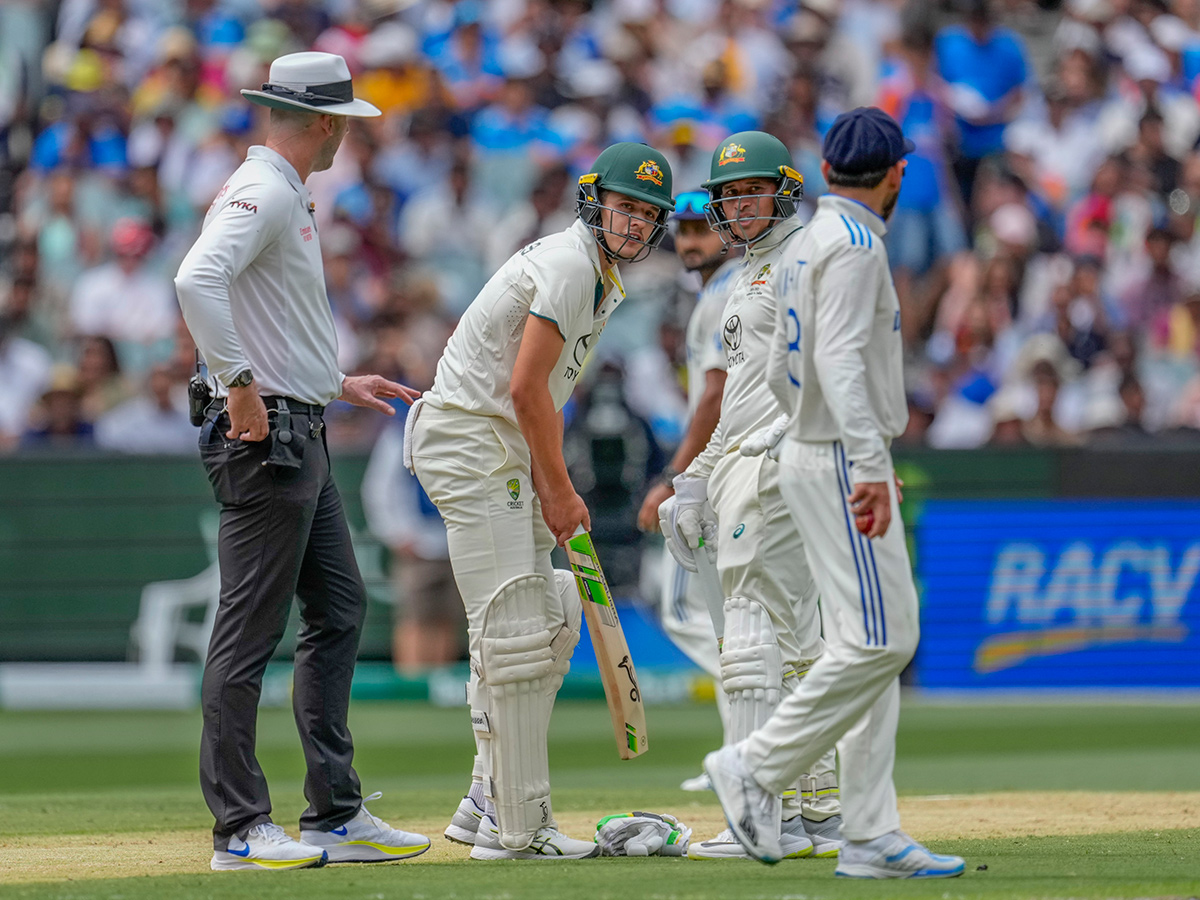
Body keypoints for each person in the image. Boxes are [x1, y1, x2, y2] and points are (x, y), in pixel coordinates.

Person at [174, 51, 430, 872]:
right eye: (343, 126)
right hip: (267, 437)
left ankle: (334, 813)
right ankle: (240, 829)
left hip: (296, 422)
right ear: (324, 122)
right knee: (249, 633)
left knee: (341, 608)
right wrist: (242, 385)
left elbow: (254, 303)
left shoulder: (280, 190)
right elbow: (196, 278)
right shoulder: (269, 191)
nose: (343, 141)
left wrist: (331, 381)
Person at [704, 107, 965, 878]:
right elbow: (843, 365)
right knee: (883, 640)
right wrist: (869, 465)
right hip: (843, 457)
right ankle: (755, 765)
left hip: (814, 450)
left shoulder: (807, 244)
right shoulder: (851, 246)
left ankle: (868, 833)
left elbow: (793, 371)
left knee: (872, 644)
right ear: (897, 176)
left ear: (823, 174)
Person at [407, 142, 675, 860]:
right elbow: (527, 389)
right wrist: (559, 489)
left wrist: (551, 483)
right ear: (595, 203)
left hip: (498, 444)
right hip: (474, 440)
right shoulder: (569, 263)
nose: (634, 225)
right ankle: (518, 829)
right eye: (624, 208)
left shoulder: (599, 275)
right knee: (515, 632)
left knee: (547, 615)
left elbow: (536, 395)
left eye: (648, 215)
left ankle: (484, 798)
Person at [659, 132, 841, 860]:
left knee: (750, 639)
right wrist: (697, 475)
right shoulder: (752, 271)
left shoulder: (803, 258)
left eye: (749, 191)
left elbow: (822, 374)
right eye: (726, 194)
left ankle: (759, 816)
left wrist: (779, 449)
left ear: (784, 189)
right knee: (796, 649)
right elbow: (738, 401)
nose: (735, 205)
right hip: (747, 467)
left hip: (774, 472)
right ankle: (814, 810)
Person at [635, 189, 737, 785]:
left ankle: (754, 727)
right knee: (734, 618)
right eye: (684, 230)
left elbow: (715, 398)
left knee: (686, 610)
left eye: (704, 229)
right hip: (736, 470)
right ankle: (744, 747)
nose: (691, 241)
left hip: (718, 477)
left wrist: (674, 478)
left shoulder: (721, 298)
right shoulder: (730, 292)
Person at [361, 414, 466, 672]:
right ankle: (411, 687)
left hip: (455, 542)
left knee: (448, 618)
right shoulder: (399, 432)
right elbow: (377, 487)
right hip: (418, 545)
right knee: (414, 618)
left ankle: (440, 687)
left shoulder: (460, 428)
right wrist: (396, 533)